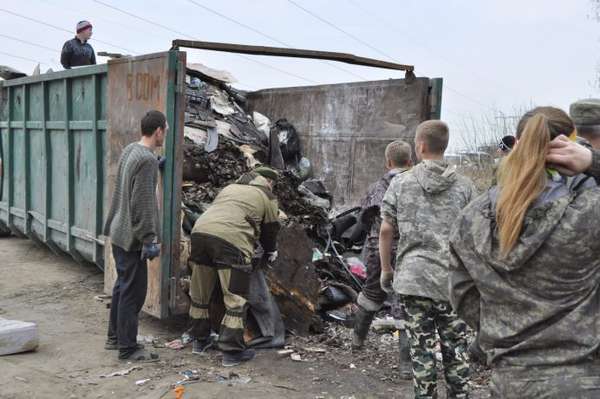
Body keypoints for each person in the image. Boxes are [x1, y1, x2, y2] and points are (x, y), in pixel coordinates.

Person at [449, 106, 600, 398]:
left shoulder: (471, 218)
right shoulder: (589, 213)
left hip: (509, 381)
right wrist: (594, 162)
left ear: (516, 145)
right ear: (571, 146)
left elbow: (463, 295)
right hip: (583, 381)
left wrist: (506, 327)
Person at [380, 120, 474, 399]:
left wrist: (386, 270)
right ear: (444, 146)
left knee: (421, 350)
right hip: (452, 282)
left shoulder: (400, 183)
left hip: (413, 278)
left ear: (420, 146)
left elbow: (386, 229)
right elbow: (475, 235)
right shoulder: (466, 186)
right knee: (456, 349)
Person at [188, 166, 280, 367]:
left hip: (199, 235)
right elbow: (271, 228)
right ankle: (231, 353)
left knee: (200, 294)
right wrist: (271, 250)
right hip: (231, 242)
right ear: (269, 182)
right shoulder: (267, 195)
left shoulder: (230, 188)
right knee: (235, 298)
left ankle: (199, 341)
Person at [103, 110, 167, 361]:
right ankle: (128, 349)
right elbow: (143, 204)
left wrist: (154, 163)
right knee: (134, 293)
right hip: (132, 237)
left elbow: (130, 179)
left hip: (118, 231)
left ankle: (114, 338)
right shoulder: (147, 160)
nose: (165, 135)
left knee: (122, 287)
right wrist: (149, 238)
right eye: (165, 131)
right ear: (158, 131)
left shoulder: (132, 149)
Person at [351, 140, 412, 377]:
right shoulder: (417, 185)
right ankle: (406, 364)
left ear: (388, 162)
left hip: (379, 249)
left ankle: (357, 341)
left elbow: (364, 217)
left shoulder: (380, 186)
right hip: (408, 251)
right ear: (410, 161)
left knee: (371, 294)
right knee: (405, 303)